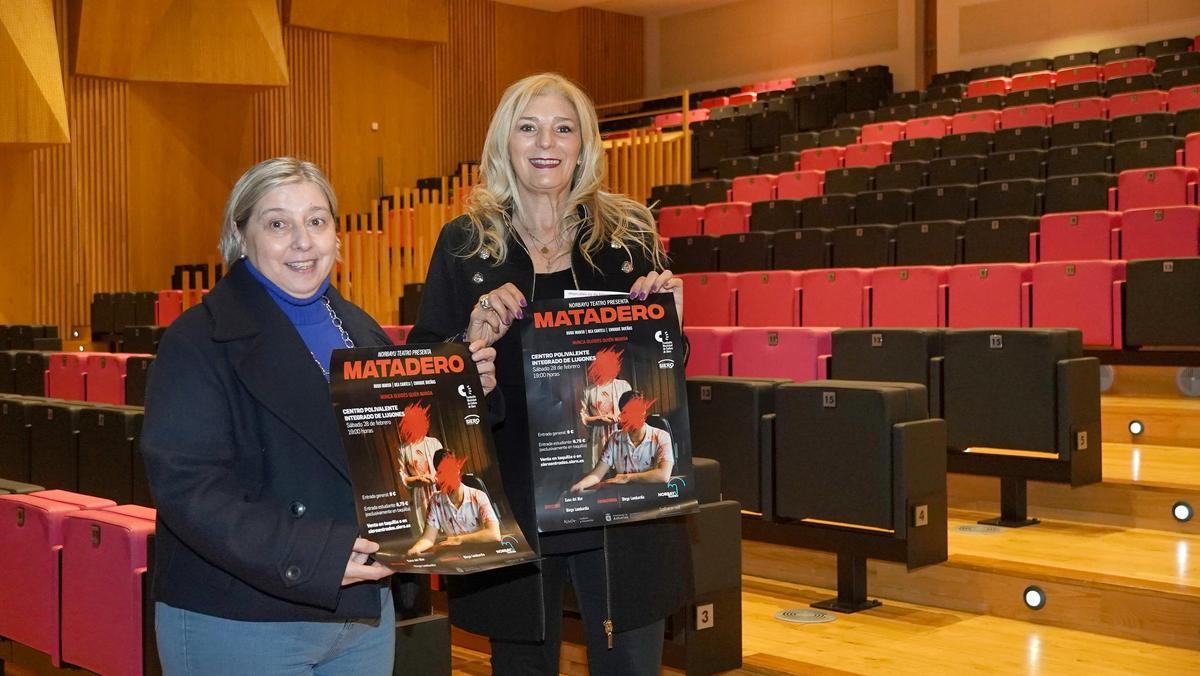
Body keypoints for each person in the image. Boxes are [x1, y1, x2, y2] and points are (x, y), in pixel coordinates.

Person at [141, 157, 498, 675]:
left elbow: (396, 455)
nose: (302, 241)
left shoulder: (362, 331)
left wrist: (461, 397)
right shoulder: (197, 340)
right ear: (241, 237)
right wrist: (317, 555)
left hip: (362, 614)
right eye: (277, 223)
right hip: (243, 615)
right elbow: (189, 487)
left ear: (336, 235)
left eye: (316, 220)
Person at [409, 73, 690, 676]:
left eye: (564, 128)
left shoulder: (628, 235)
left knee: (631, 665)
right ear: (504, 142)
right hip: (514, 496)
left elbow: (663, 378)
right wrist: (468, 350)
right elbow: (428, 377)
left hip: (619, 497)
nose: (546, 143)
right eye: (528, 127)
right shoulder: (464, 244)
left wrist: (670, 324)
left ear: (584, 144)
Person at [570, 393, 674, 492]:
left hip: (653, 495)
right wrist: (581, 485)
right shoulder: (614, 439)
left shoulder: (661, 436)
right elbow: (597, 475)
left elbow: (664, 475)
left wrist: (627, 477)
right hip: (624, 496)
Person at [407, 450, 501, 555]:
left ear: (457, 470)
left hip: (482, 553)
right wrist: (416, 548)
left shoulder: (478, 496)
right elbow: (428, 539)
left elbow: (494, 534)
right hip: (455, 556)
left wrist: (459, 539)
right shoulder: (435, 500)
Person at [579, 346, 631, 466]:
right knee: (600, 469)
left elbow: (632, 412)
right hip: (598, 438)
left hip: (621, 434)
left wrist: (619, 419)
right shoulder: (588, 391)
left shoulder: (623, 386)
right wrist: (599, 419)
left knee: (622, 467)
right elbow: (582, 417)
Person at [395, 402, 443, 533]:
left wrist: (435, 478)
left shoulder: (434, 443)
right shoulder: (403, 449)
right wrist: (418, 479)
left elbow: (445, 468)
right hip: (418, 497)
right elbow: (402, 478)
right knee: (424, 530)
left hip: (438, 492)